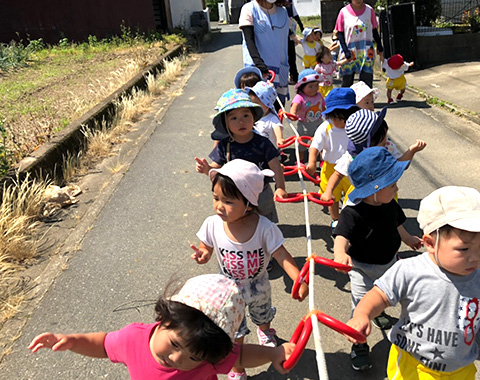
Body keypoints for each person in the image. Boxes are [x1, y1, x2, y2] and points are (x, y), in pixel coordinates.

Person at [346, 186, 480, 380]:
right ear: (430, 243)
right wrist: (362, 314)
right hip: (412, 366)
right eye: (464, 249)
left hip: (460, 370)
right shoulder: (410, 270)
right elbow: (379, 295)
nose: (475, 257)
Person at [28, 274, 296, 380]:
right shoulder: (133, 339)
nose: (178, 358)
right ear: (165, 318)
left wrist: (273, 354)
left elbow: (241, 354)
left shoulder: (209, 351)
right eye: (176, 344)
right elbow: (103, 344)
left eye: (194, 357)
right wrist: (73, 341)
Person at [191, 159, 309, 380]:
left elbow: (281, 255)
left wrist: (297, 279)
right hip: (228, 290)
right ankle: (237, 368)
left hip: (259, 284)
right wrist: (202, 254)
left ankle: (264, 330)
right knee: (234, 334)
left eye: (228, 201)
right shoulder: (213, 224)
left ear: (248, 203)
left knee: (262, 313)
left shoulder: (264, 227)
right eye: (216, 198)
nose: (219, 206)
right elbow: (205, 246)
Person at [333, 146, 423, 371]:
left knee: (394, 296)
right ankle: (359, 343)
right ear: (375, 188)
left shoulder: (390, 204)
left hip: (390, 264)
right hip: (361, 269)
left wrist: (409, 239)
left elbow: (397, 225)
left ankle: (381, 313)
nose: (396, 188)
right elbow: (341, 235)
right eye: (392, 185)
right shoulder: (352, 212)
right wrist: (340, 253)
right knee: (360, 305)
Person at [195, 89, 288, 224]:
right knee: (238, 223)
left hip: (261, 191)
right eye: (234, 118)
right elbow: (217, 167)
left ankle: (267, 240)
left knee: (265, 221)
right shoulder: (225, 145)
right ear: (226, 123)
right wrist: (206, 168)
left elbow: (276, 166)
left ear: (253, 117)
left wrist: (280, 187)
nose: (241, 122)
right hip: (234, 194)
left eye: (246, 116)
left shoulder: (262, 142)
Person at [321, 109, 426, 208]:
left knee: (390, 219)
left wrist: (411, 151)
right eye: (383, 139)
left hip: (388, 191)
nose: (386, 140)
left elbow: (400, 165)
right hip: (361, 196)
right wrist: (328, 191)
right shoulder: (352, 157)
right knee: (356, 220)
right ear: (370, 143)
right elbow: (338, 174)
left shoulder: (388, 147)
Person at [306, 87, 359, 228]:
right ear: (330, 116)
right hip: (330, 168)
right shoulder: (325, 128)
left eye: (346, 118)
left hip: (351, 168)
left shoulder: (356, 126)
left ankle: (350, 219)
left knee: (353, 196)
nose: (343, 123)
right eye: (338, 119)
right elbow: (314, 146)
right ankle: (335, 219)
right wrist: (312, 162)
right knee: (332, 196)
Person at [239, 0, 290, 104]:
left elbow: (287, 40)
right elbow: (249, 40)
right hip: (258, 70)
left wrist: (293, 67)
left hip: (280, 70)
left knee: (277, 111)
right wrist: (259, 64)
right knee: (259, 112)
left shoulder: (283, 12)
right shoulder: (249, 9)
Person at [335, 0, 384, 88]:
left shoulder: (369, 10)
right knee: (347, 82)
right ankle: (347, 101)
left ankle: (366, 101)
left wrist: (380, 47)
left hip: (366, 50)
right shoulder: (343, 12)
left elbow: (374, 30)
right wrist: (346, 51)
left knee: (366, 82)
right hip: (349, 51)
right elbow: (339, 33)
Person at [289, 69, 326, 162]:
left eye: (316, 85)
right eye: (310, 86)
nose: (314, 88)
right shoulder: (300, 97)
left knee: (321, 143)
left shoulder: (319, 95)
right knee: (301, 145)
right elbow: (295, 106)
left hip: (318, 124)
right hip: (304, 125)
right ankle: (300, 159)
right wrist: (293, 113)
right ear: (302, 87)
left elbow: (323, 107)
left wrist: (329, 114)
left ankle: (323, 160)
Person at [246, 81, 284, 148]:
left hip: (269, 151)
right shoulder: (251, 116)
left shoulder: (272, 118)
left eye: (256, 104)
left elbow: (277, 127)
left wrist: (279, 138)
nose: (252, 107)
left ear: (267, 105)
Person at [285, 0, 304, 84]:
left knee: (292, 55)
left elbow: (295, 15)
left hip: (290, 33)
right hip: (279, 34)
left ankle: (294, 75)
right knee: (283, 57)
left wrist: (301, 26)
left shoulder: (290, 3)